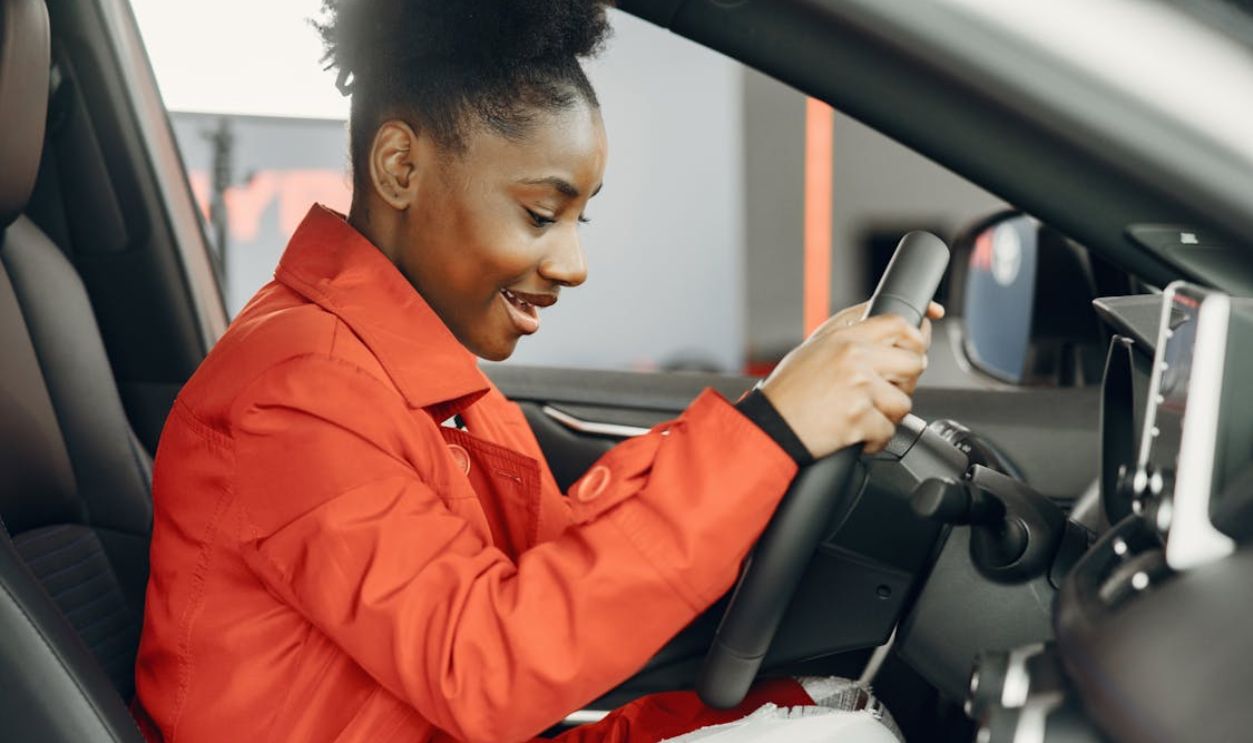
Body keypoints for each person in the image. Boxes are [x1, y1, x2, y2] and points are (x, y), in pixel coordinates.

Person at [132, 1, 940, 741]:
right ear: (400, 168)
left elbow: (560, 557)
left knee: (826, 706)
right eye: (540, 214)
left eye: (579, 217)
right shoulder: (296, 393)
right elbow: (488, 668)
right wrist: (771, 433)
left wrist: (776, 414)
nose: (573, 263)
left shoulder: (402, 373)